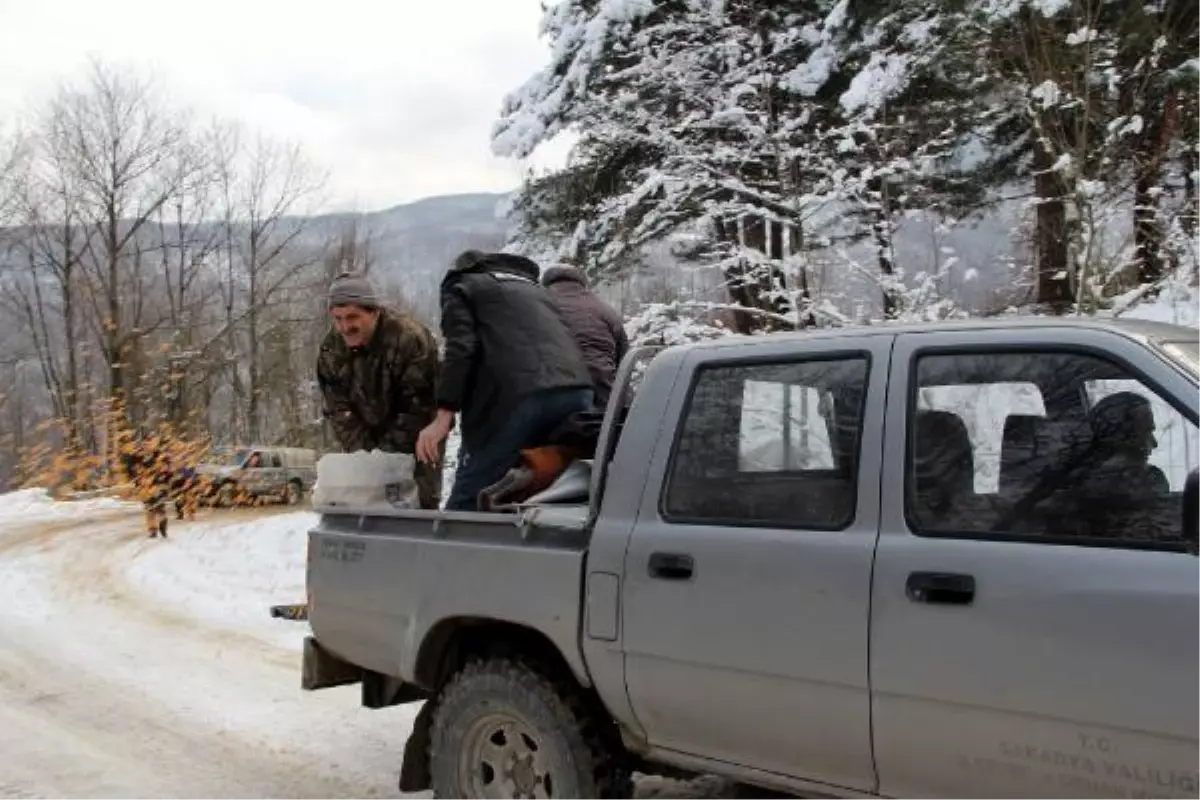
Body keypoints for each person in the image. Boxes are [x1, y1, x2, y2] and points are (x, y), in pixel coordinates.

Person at [416, 251, 594, 511]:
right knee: (544, 491)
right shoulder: (538, 291)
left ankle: (447, 548)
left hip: (513, 397)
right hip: (577, 390)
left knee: (471, 494)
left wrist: (444, 414)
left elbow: (462, 348)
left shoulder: (462, 285)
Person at [316, 271, 443, 509]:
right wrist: (366, 460)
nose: (344, 326)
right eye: (338, 318)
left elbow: (417, 409)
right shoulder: (331, 351)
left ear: (373, 312)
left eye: (352, 317)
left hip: (419, 441)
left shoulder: (409, 339)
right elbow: (339, 410)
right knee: (365, 506)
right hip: (365, 435)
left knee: (417, 507)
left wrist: (386, 462)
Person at [541, 262, 629, 409]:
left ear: (545, 283)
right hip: (604, 398)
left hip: (553, 397)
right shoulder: (603, 309)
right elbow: (623, 361)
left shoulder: (539, 305)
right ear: (582, 283)